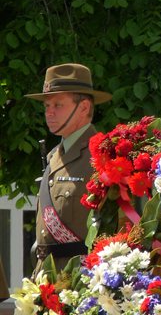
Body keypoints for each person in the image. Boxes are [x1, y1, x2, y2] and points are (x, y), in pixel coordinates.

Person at [25, 63, 112, 273]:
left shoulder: (102, 155)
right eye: (47, 106)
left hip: (82, 283)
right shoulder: (53, 156)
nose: (50, 113)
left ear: (83, 107)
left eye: (58, 105)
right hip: (48, 279)